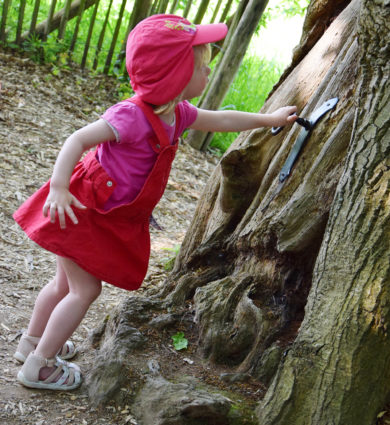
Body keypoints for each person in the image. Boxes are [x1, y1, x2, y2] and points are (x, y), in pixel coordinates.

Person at [13, 14, 297, 391]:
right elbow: (76, 140)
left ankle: (31, 343)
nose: (209, 73)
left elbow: (223, 119)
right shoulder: (130, 116)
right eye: (203, 67)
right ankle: (39, 366)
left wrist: (269, 119)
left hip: (102, 212)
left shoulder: (176, 115)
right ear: (177, 76)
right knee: (84, 290)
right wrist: (59, 187)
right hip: (82, 209)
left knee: (64, 283)